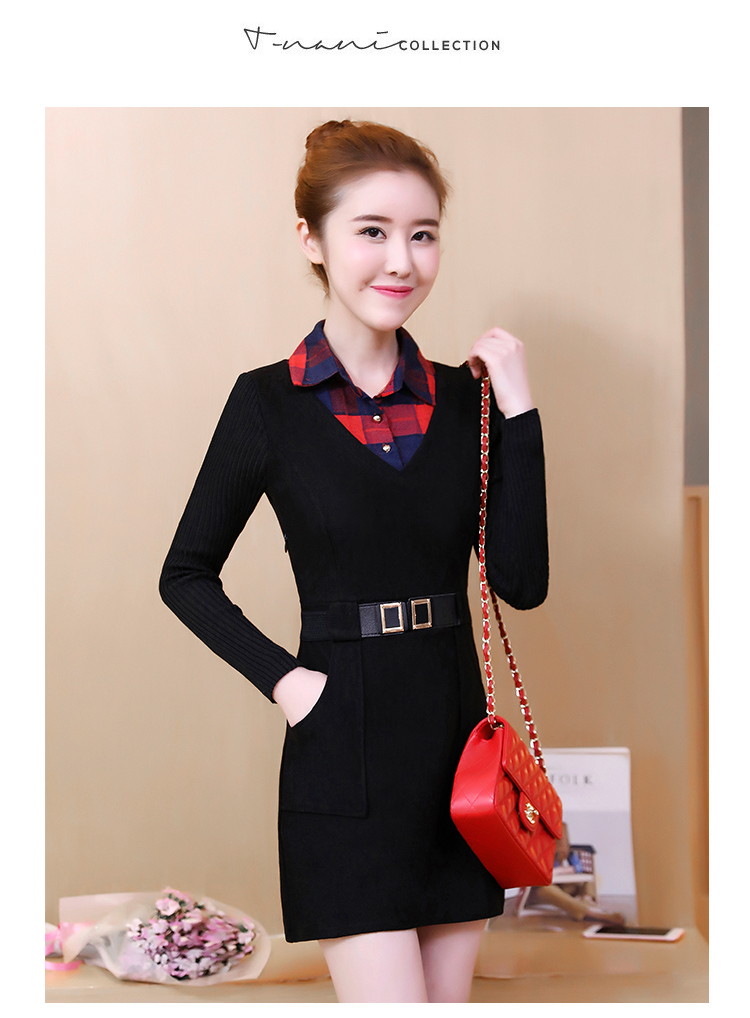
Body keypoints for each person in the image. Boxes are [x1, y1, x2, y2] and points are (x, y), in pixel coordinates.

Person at [159, 119, 549, 1003]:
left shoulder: (469, 401)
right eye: (372, 231)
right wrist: (289, 684)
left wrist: (520, 414)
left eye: (423, 234)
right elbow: (184, 573)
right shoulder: (266, 404)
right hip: (342, 745)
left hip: (459, 755)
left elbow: (521, 585)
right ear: (313, 239)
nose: (401, 261)